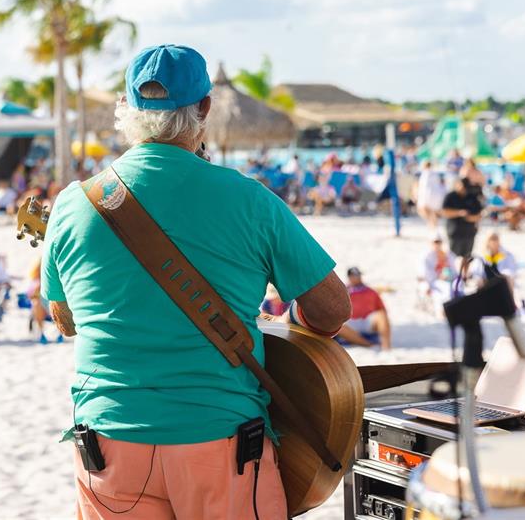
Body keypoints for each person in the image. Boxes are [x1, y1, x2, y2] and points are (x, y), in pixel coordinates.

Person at [41, 44, 350, 520]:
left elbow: (65, 319)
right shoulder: (250, 200)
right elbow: (332, 309)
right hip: (220, 441)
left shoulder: (72, 203)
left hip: (106, 443)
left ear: (126, 107)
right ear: (205, 107)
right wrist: (293, 323)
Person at [335, 267, 391, 349]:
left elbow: (382, 309)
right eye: (354, 276)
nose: (356, 278)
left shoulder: (371, 292)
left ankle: (386, 347)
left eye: (358, 275)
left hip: (367, 320)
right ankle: (368, 344)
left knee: (381, 315)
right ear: (349, 277)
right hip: (350, 321)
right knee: (338, 326)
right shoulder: (343, 291)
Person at [441, 177, 483, 284]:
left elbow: (479, 214)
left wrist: (471, 218)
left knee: (467, 256)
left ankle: (464, 276)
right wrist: (459, 213)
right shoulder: (450, 196)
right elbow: (444, 212)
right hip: (454, 232)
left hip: (469, 232)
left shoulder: (472, 197)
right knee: (452, 257)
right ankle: (452, 277)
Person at [420, 234, 455, 312]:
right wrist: (438, 276)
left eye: (439, 242)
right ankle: (443, 310)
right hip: (433, 281)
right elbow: (424, 273)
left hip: (448, 279)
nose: (437, 244)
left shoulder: (447, 254)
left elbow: (454, 268)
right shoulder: (426, 256)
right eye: (435, 242)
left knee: (456, 287)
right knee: (442, 291)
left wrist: (448, 274)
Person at [416, 161, 446, 229]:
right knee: (432, 213)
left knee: (427, 212)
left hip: (428, 196)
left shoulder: (425, 174)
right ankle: (433, 226)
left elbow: (424, 187)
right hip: (435, 195)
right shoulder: (435, 174)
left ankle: (432, 226)